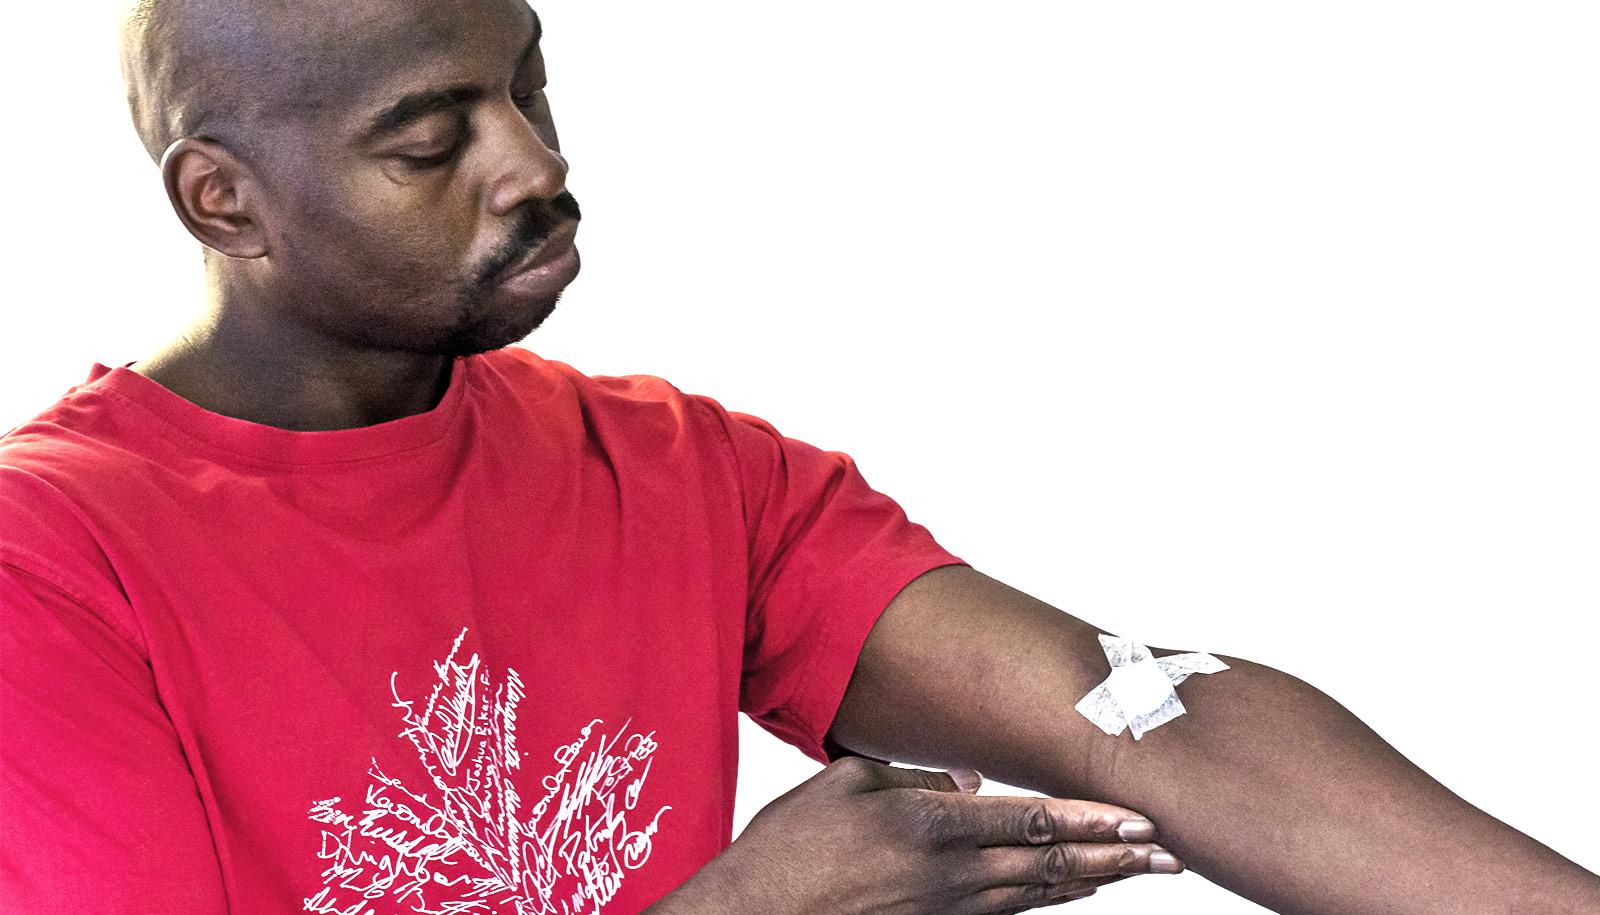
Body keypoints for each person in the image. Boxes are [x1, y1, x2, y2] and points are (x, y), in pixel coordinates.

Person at [0, 1, 1594, 912]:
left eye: (530, 81)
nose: (536, 167)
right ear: (223, 202)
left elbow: (1145, 713)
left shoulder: (678, 472)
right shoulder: (50, 562)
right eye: (431, 143)